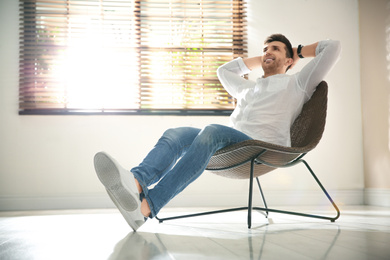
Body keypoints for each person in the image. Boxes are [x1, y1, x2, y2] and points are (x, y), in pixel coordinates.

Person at [94, 34, 341, 231]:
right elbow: (223, 71)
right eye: (265, 49)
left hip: (263, 146)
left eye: (275, 49)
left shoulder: (297, 83)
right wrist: (264, 57)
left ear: (288, 61)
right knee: (176, 133)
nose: (267, 52)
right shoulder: (248, 88)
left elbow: (333, 47)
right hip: (230, 142)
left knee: (211, 130)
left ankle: (150, 205)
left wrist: (297, 52)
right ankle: (137, 182)